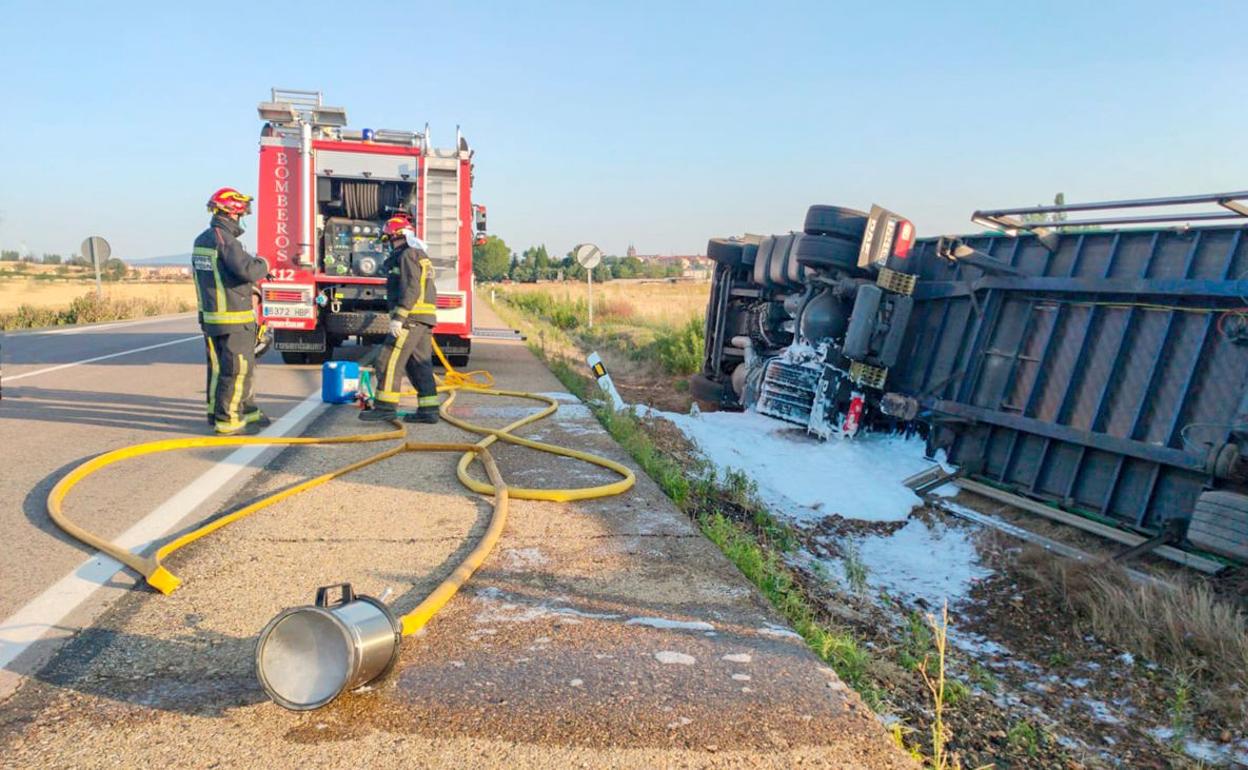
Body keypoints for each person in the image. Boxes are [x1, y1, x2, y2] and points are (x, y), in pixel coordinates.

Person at [192, 187, 271, 435]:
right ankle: (229, 421)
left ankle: (230, 411)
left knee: (220, 369)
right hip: (233, 319)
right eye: (241, 213)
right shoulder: (226, 240)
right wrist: (265, 264)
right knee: (237, 370)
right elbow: (247, 270)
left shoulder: (204, 239)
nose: (242, 218)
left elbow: (223, 274)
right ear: (232, 212)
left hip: (213, 318)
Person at [360, 214, 440, 423]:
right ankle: (429, 410)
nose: (388, 244)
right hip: (422, 318)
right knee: (418, 364)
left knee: (388, 360)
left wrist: (400, 316)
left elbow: (412, 287)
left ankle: (385, 407)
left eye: (388, 239)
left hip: (410, 318)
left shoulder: (407, 255)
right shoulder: (418, 254)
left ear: (396, 236)